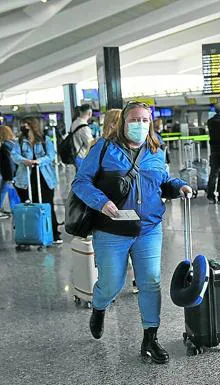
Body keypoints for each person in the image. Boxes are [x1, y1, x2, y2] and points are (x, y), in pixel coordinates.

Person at [72, 101, 192, 364]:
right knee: (112, 283)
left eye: (145, 120)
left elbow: (162, 182)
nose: (140, 125)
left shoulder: (155, 149)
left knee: (150, 281)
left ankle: (150, 337)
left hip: (148, 228)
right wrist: (101, 202)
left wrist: (179, 186)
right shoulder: (104, 149)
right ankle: (100, 306)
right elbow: (81, 182)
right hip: (112, 229)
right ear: (123, 122)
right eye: (134, 120)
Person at [11, 117, 63, 245]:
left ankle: (53, 233)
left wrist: (37, 161)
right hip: (25, 178)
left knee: (47, 205)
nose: (24, 127)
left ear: (32, 126)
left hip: (44, 177)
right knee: (29, 205)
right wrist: (25, 161)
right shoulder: (20, 140)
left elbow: (51, 155)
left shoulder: (45, 140)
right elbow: (14, 155)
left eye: (26, 124)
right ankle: (31, 233)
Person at [0, 125, 19, 218]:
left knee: (3, 191)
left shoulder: (5, 146)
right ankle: (16, 209)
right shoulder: (13, 144)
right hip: (14, 172)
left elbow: (8, 162)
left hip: (7, 173)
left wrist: (9, 176)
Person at [71, 104, 93, 169]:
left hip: (76, 155)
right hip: (82, 157)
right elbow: (90, 144)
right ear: (90, 113)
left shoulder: (74, 123)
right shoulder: (84, 127)